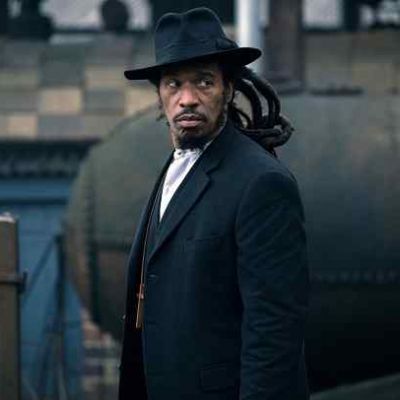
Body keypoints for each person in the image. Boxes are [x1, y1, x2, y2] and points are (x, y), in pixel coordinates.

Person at [119, 7, 309, 400]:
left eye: (204, 82)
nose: (187, 99)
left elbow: (274, 331)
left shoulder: (261, 182)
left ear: (228, 88)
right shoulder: (174, 168)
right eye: (174, 84)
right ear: (159, 94)